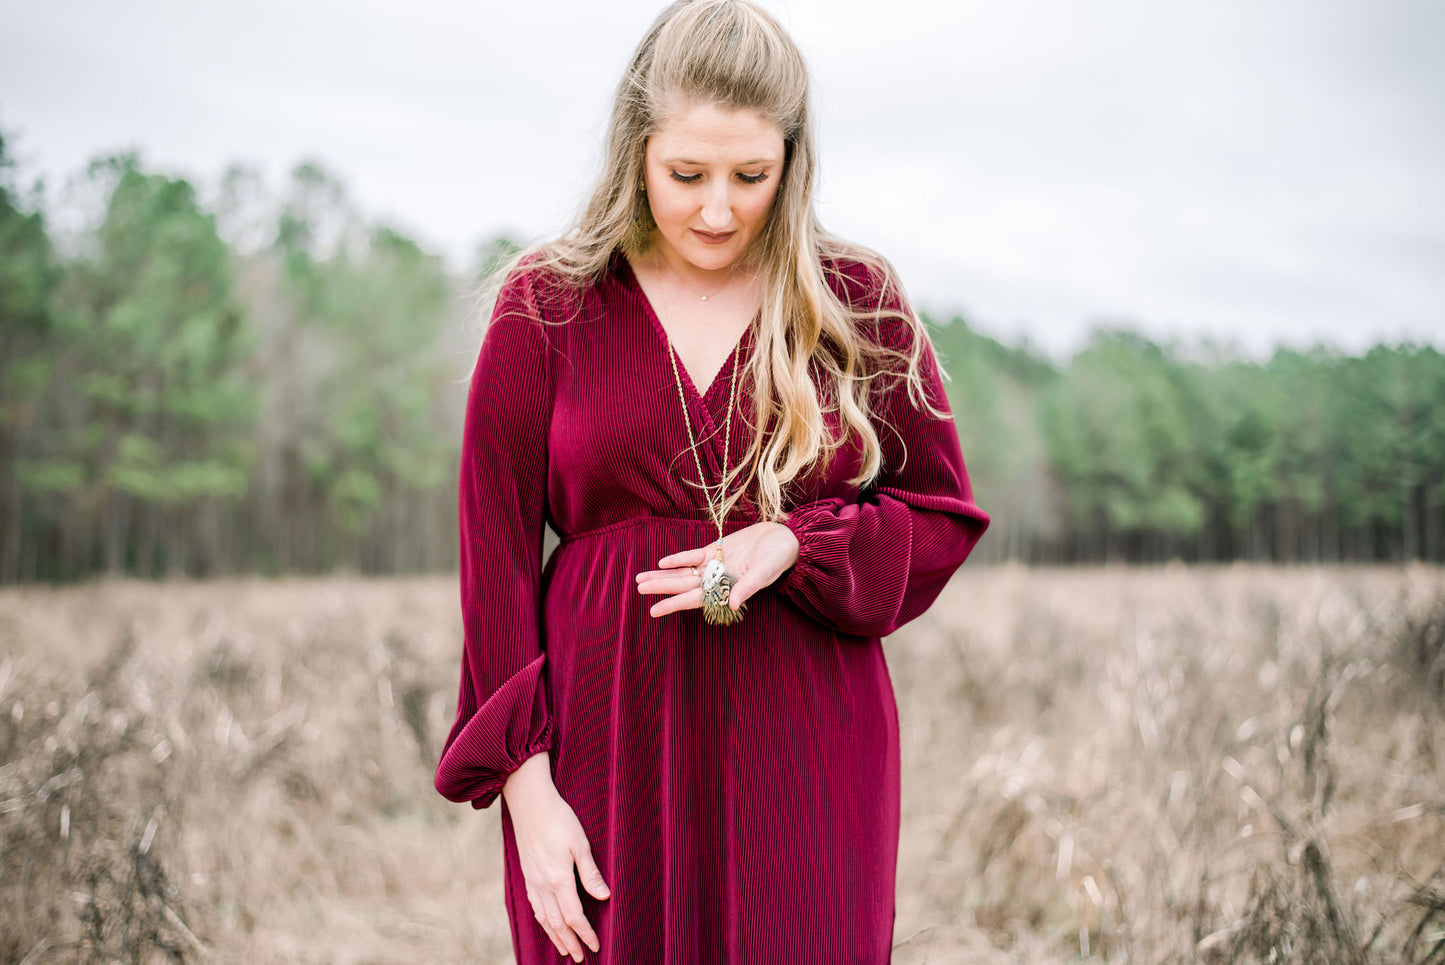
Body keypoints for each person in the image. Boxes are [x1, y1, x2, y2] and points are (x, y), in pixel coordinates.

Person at [434, 1, 990, 962]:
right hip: (603, 751)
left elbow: (941, 518)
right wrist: (527, 794)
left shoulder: (857, 303)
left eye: (752, 175)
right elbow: (492, 560)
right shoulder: (547, 303)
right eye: (685, 174)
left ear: (793, 160)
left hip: (805, 753)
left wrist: (797, 539)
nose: (719, 209)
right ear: (635, 150)